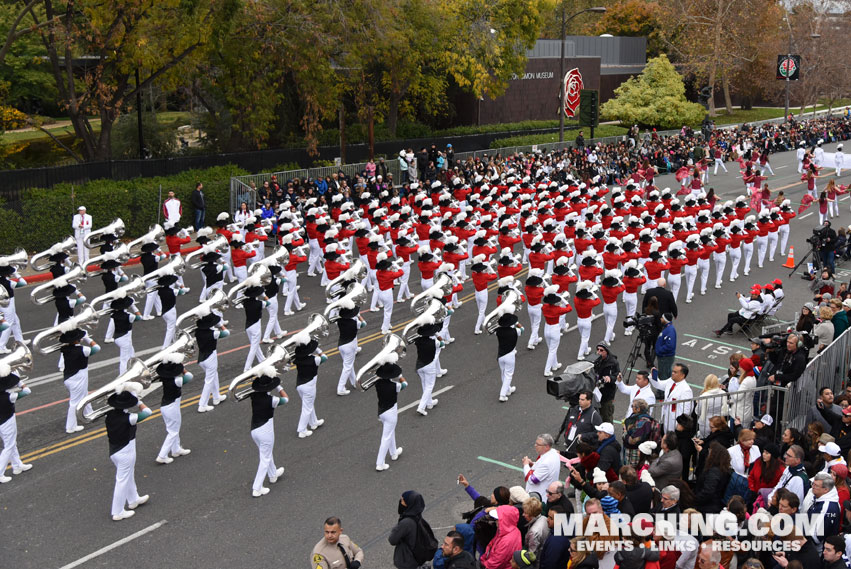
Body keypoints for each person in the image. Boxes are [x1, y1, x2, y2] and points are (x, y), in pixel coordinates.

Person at [104, 382, 152, 520]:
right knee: (122, 481)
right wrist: (138, 402)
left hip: (115, 451)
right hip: (125, 451)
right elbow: (148, 412)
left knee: (128, 476)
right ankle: (117, 511)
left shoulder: (109, 415)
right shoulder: (129, 418)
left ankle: (133, 499)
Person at [246, 370, 288, 498]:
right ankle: (257, 488)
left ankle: (273, 474)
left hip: (254, 430)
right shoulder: (272, 400)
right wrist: (279, 387)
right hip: (265, 430)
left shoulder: (254, 396)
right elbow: (286, 399)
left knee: (267, 453)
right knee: (264, 458)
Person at [153, 357, 192, 465]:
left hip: (165, 406)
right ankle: (162, 455)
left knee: (173, 429)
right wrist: (182, 368)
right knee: (173, 431)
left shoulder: (166, 379)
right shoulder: (177, 381)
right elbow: (189, 376)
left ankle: (176, 449)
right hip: (172, 407)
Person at [60, 328, 100, 434]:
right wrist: (87, 338)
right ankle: (70, 426)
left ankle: (89, 413)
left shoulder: (65, 349)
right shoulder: (83, 350)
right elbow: (97, 348)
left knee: (84, 395)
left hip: (68, 377)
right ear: (78, 339)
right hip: (78, 378)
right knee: (74, 403)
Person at [0, 365, 32, 484]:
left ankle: (17, 465)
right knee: (8, 446)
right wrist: (19, 381)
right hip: (7, 421)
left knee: (12, 443)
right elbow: (27, 391)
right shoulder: (9, 396)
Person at [373, 359, 406, 471]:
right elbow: (404, 384)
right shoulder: (395, 385)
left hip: (381, 412)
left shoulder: (377, 383)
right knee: (386, 438)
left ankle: (394, 452)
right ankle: (380, 463)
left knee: (390, 432)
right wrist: (400, 376)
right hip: (391, 413)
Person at [293, 333, 327, 438]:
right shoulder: (315, 359)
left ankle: (313, 422)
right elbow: (324, 358)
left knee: (309, 405)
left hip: (300, 385)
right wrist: (318, 350)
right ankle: (302, 430)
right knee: (306, 408)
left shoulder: (297, 359)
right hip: (309, 386)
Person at [389, 491, 435, 569]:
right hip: (417, 557)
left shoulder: (406, 523)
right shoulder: (417, 517)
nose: (401, 501)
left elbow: (392, 540)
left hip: (407, 560)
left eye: (403, 500)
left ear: (409, 504)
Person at [195, 310, 229, 412]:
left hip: (201, 358)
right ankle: (202, 404)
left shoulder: (197, 332)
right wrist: (220, 324)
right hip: (210, 358)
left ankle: (216, 396)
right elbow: (226, 332)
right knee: (208, 381)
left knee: (214, 375)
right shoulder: (214, 333)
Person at [649, 364, 694, 433]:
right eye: (673, 371)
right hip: (666, 418)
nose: (672, 373)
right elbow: (659, 385)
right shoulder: (670, 381)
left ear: (682, 375)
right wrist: (654, 376)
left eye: (675, 372)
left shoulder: (686, 390)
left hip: (675, 423)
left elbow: (686, 411)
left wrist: (679, 425)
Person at [480, 504, 522, 569]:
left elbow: (496, 562)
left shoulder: (507, 540)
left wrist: (484, 564)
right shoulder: (510, 529)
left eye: (498, 519)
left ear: (505, 520)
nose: (496, 520)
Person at [523, 434, 561, 501]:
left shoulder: (546, 463)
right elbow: (541, 467)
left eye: (538, 444)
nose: (535, 445)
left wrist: (526, 465)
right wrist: (532, 464)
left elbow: (532, 480)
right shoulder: (553, 453)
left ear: (546, 447)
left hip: (539, 497)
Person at [593, 344, 619, 422]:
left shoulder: (613, 362)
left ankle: (608, 433)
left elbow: (617, 374)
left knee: (606, 416)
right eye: (597, 349)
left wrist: (610, 378)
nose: (598, 352)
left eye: (601, 350)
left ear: (606, 351)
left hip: (606, 394)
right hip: (595, 392)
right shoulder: (594, 360)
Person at [655, 314, 677, 381]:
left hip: (665, 357)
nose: (660, 319)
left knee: (663, 375)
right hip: (665, 357)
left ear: (665, 319)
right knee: (667, 373)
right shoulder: (667, 327)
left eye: (662, 318)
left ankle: (662, 391)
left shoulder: (670, 330)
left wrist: (659, 350)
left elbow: (670, 345)